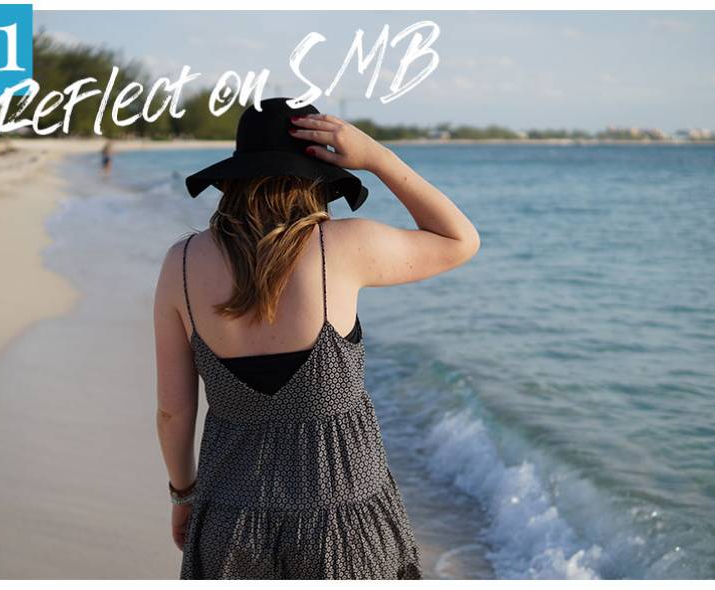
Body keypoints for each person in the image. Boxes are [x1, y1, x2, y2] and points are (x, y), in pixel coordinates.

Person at [153, 97, 480, 579]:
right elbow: (460, 240)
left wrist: (184, 495)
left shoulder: (181, 264)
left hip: (230, 514)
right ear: (318, 177)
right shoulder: (343, 247)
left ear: (234, 177)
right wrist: (378, 158)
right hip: (344, 518)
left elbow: (173, 411)